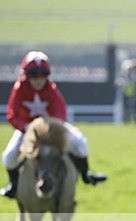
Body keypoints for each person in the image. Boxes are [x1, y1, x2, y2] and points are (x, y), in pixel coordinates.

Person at [1, 51, 107, 199]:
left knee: (80, 144)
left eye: (43, 74)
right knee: (9, 156)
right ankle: (13, 185)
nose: (38, 79)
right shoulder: (19, 89)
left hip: (51, 130)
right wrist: (27, 128)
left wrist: (50, 129)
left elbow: (60, 113)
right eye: (34, 75)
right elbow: (12, 114)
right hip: (26, 130)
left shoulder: (51, 89)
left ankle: (86, 174)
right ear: (26, 74)